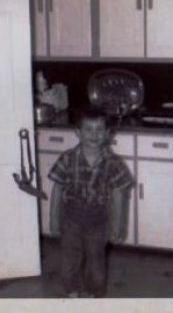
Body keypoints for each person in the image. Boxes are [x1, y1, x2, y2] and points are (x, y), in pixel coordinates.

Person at [48, 107, 133, 298]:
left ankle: (95, 296)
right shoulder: (67, 158)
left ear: (108, 134)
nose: (94, 135)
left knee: (96, 263)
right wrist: (53, 219)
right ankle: (72, 293)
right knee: (70, 261)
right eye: (88, 129)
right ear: (78, 132)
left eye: (99, 129)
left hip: (99, 221)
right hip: (70, 219)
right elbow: (57, 190)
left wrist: (118, 225)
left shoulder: (114, 163)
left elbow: (120, 194)